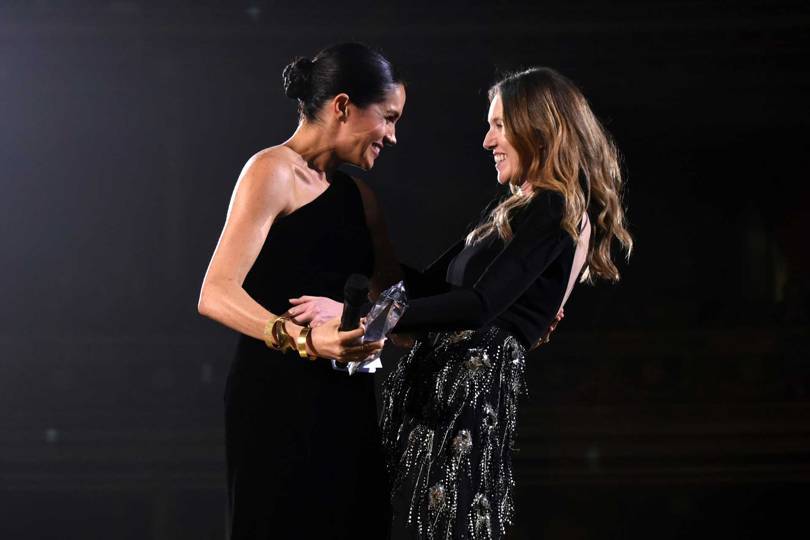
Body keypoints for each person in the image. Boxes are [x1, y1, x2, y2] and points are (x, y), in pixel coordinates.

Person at [383, 67, 631, 539]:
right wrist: (360, 244)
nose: (486, 141)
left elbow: (480, 306)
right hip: (435, 392)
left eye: (498, 125)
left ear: (535, 127)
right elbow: (429, 287)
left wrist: (379, 323)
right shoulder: (513, 211)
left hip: (466, 402)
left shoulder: (557, 206)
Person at [196, 43, 405, 539]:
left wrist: (361, 320)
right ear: (342, 107)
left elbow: (400, 311)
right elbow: (215, 292)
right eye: (388, 118)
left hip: (348, 403)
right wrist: (306, 340)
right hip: (274, 401)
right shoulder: (271, 170)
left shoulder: (361, 198)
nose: (394, 136)